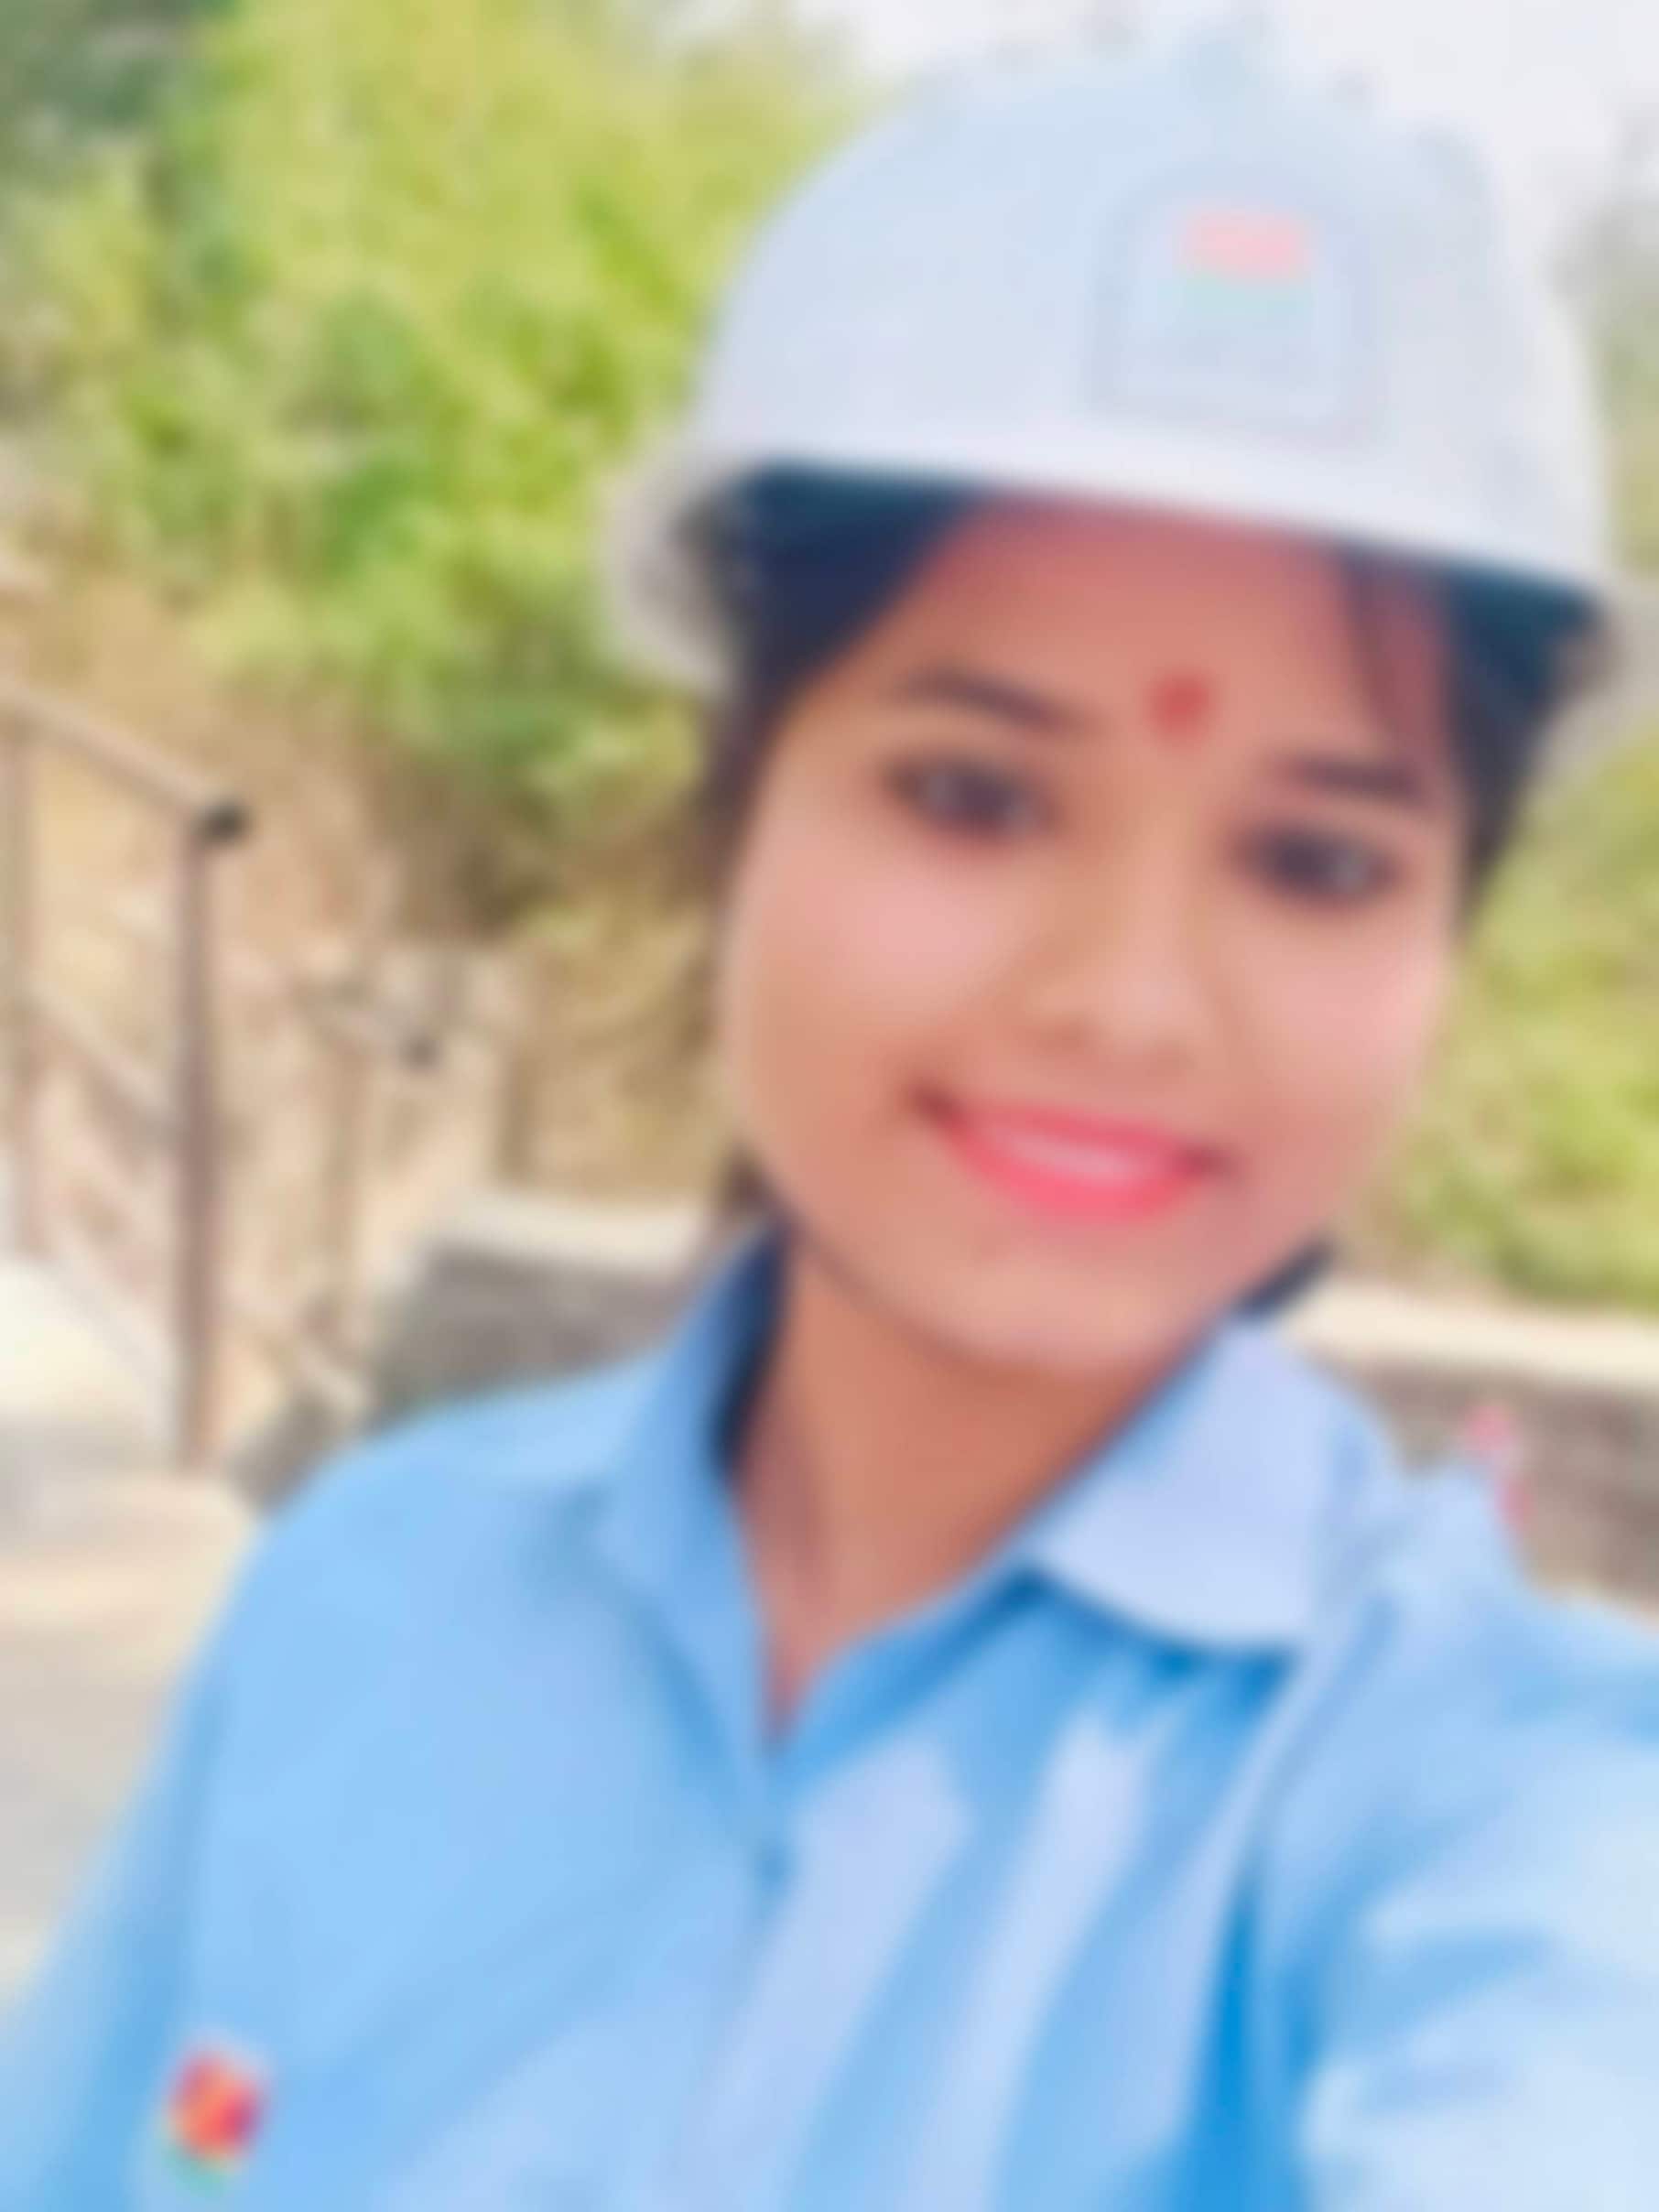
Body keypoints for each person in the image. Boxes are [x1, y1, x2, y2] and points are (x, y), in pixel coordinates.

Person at [4, 30, 1657, 2212]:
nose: (1130, 997)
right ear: (738, 806)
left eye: (1317, 860)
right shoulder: (367, 1593)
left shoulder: (1490, 1803)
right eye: (974, 794)